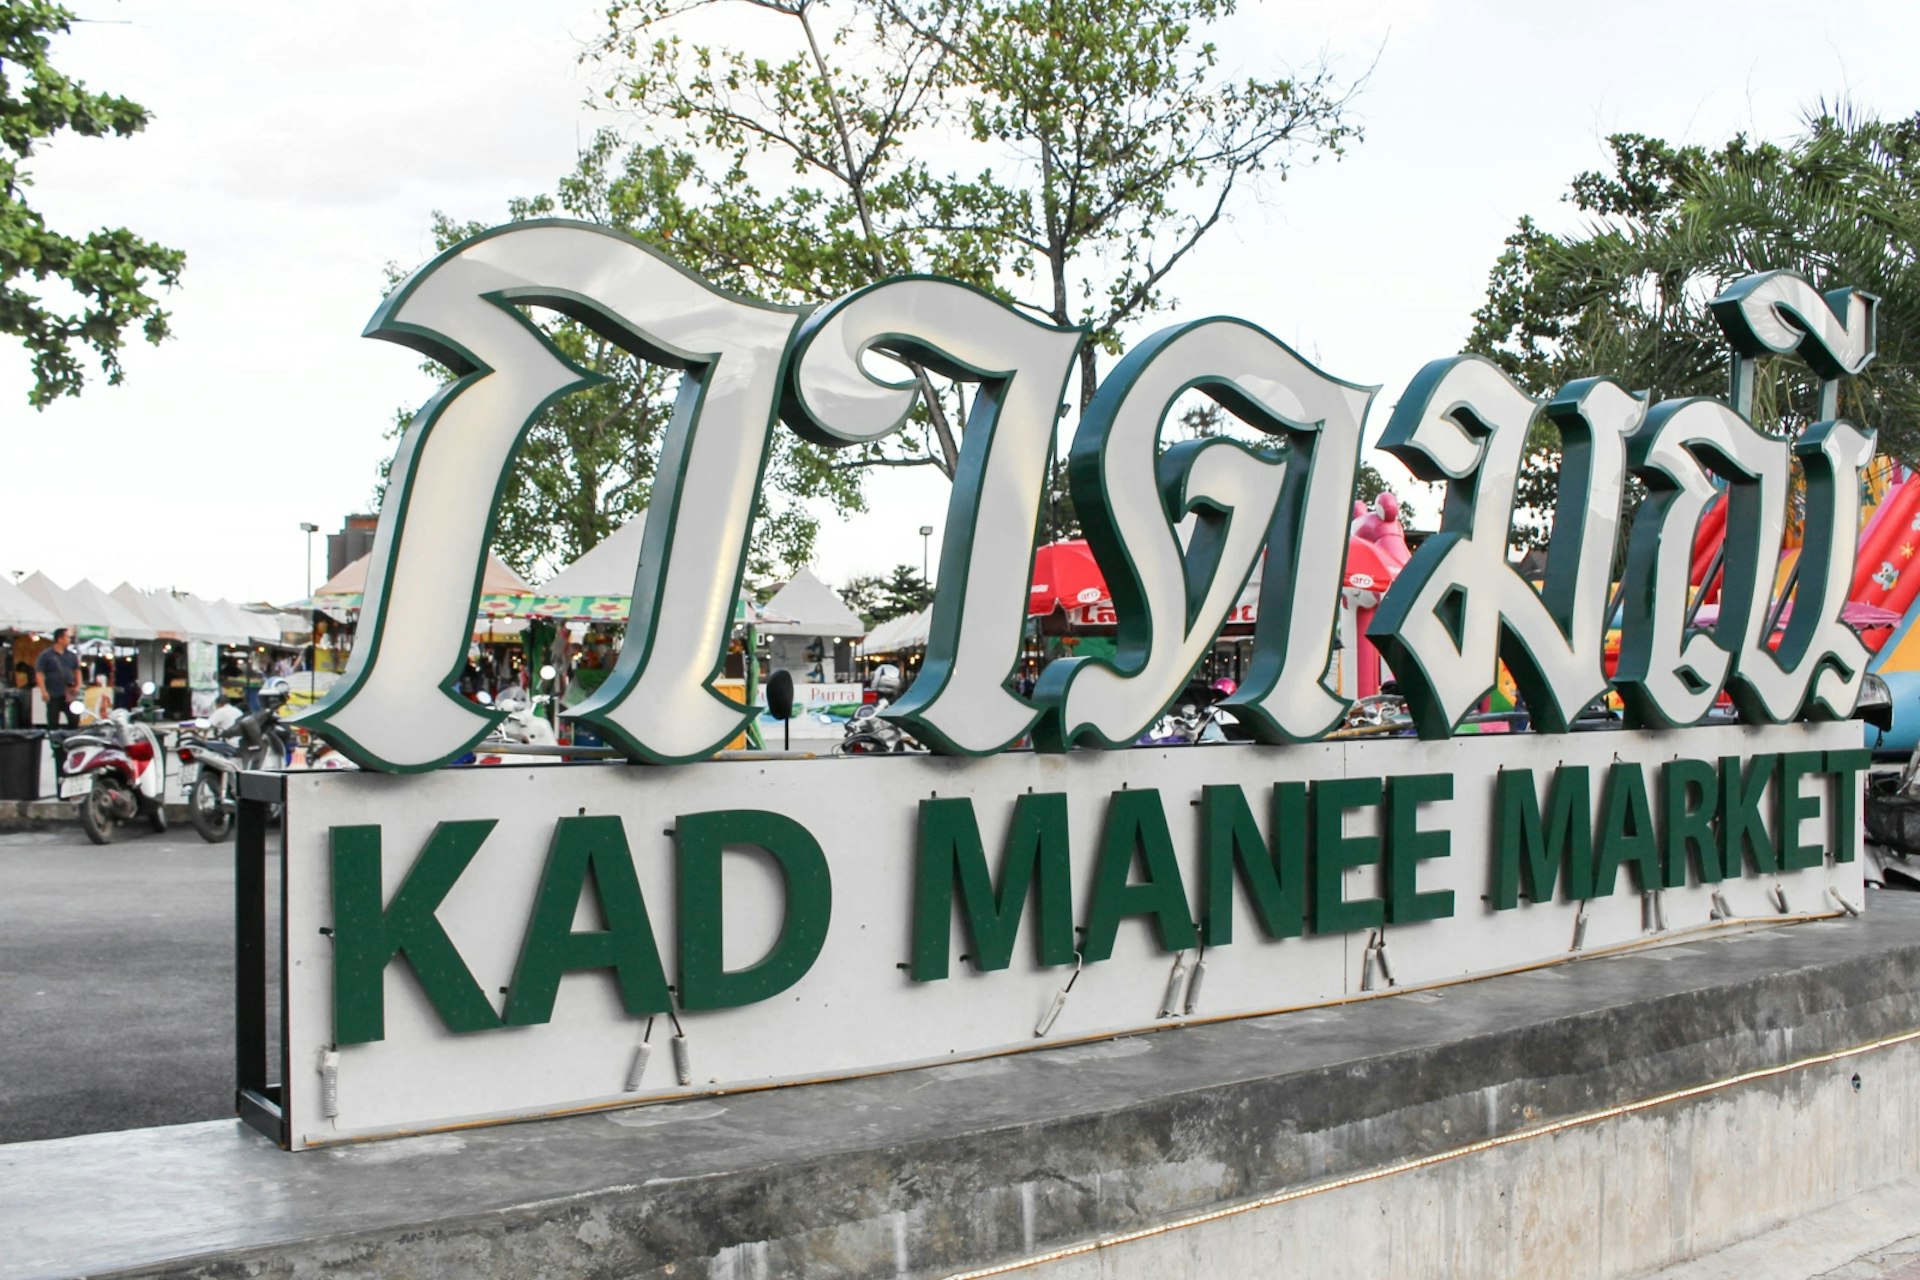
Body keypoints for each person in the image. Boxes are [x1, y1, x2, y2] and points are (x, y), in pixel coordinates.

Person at [35, 628, 81, 728]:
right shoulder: (46, 655)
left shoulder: (71, 655)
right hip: (53, 693)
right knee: (53, 720)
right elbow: (39, 674)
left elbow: (77, 671)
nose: (69, 640)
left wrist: (78, 686)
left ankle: (71, 739)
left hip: (69, 693)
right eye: (67, 637)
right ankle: (55, 741)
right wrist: (43, 691)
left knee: (74, 719)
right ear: (60, 639)